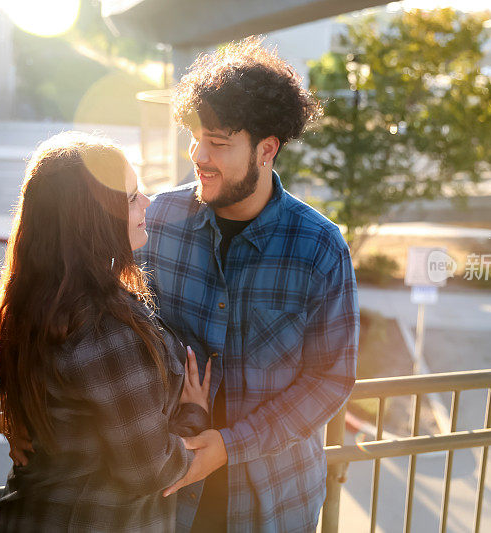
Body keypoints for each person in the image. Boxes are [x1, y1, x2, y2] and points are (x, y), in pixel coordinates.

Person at [136, 37, 360, 532]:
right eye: (195, 137)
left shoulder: (320, 247)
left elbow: (330, 380)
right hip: (169, 499)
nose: (199, 155)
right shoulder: (158, 222)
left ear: (267, 149)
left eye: (218, 143)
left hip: (273, 505)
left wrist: (232, 446)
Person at [0, 131, 212, 532]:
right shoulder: (105, 331)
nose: (146, 204)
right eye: (129, 198)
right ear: (90, 221)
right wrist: (194, 414)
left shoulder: (36, 301)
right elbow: (152, 470)